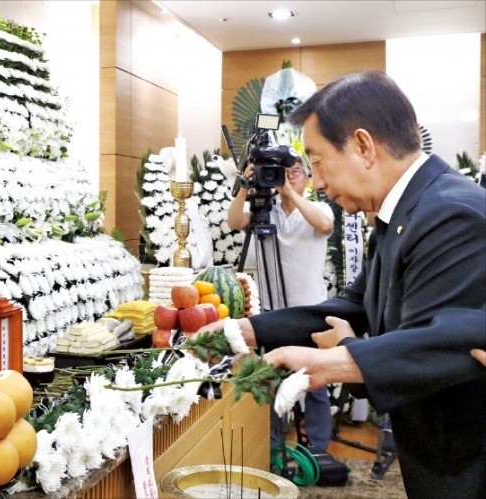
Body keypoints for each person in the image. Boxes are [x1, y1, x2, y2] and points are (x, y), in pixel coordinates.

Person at [202, 71, 486, 498]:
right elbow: (352, 306)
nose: (315, 181)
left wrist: (334, 362)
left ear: (363, 146)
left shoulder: (451, 212)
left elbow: (445, 343)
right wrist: (248, 330)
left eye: (316, 161)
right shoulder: (404, 213)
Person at [227, 157, 335, 452]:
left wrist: (291, 193)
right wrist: (243, 189)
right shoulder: (265, 211)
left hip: (313, 310)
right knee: (270, 378)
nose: (288, 178)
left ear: (307, 179)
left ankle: (318, 450)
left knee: (315, 380)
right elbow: (235, 222)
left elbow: (325, 225)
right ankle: (272, 448)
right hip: (274, 310)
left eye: (296, 172)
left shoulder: (318, 208)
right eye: (282, 174)